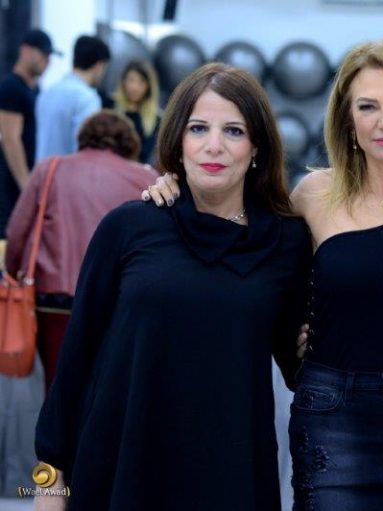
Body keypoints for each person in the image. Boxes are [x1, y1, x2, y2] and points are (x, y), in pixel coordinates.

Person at [146, 39, 383, 511]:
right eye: (368, 106)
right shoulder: (313, 195)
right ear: (347, 118)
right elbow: (242, 247)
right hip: (335, 418)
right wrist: (177, 189)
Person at [32, 63, 311, 511]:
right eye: (198, 128)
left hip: (229, 473)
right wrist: (48, 482)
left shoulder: (286, 241)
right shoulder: (128, 227)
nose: (214, 145)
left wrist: (311, 344)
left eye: (234, 131)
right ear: (178, 140)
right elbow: (76, 359)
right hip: (121, 465)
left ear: (257, 145)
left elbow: (297, 364)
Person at [5, 110, 158, 390]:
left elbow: (17, 231)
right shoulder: (145, 179)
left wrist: (14, 273)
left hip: (53, 296)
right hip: (116, 298)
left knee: (57, 380)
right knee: (106, 382)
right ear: (129, 144)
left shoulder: (50, 169)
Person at [0, 29, 57, 237]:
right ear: (25, 50)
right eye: (43, 54)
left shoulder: (35, 90)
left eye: (49, 56)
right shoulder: (11, 87)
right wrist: (27, 187)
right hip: (10, 185)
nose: (47, 61)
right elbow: (10, 140)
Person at [35, 35, 110, 161]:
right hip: (68, 172)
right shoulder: (87, 98)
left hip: (43, 171)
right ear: (98, 66)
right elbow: (85, 149)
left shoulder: (48, 92)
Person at [112, 59, 161, 164]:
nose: (135, 87)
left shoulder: (156, 119)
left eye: (141, 82)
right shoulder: (110, 106)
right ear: (123, 81)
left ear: (149, 86)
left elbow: (145, 156)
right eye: (131, 80)